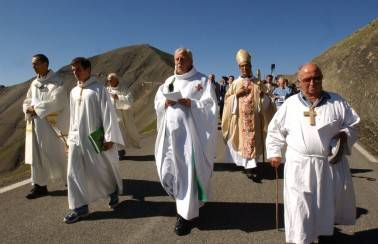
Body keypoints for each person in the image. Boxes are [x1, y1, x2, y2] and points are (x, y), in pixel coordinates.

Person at [266, 63, 360, 244]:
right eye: (307, 79)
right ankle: (302, 240)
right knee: (299, 207)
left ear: (322, 79)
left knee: (325, 207)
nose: (312, 83)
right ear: (299, 82)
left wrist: (344, 135)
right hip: (298, 165)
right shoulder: (290, 104)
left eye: (316, 78)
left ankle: (324, 235)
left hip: (329, 165)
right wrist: (275, 152)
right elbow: (275, 130)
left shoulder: (337, 102)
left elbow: (353, 124)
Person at [154, 48, 217, 235]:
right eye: (176, 58)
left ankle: (185, 216)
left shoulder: (202, 80)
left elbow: (211, 107)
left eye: (183, 58)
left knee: (186, 175)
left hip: (190, 140)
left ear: (191, 60)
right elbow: (157, 103)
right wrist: (164, 104)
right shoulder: (169, 81)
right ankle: (187, 202)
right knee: (167, 172)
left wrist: (192, 104)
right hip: (169, 138)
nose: (179, 61)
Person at [64, 57, 124, 224]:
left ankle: (112, 191)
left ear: (88, 69)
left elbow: (108, 114)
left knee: (99, 170)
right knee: (72, 173)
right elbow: (72, 119)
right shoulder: (73, 92)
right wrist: (69, 141)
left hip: (94, 138)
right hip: (76, 138)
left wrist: (110, 137)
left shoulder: (99, 89)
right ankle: (79, 208)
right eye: (73, 70)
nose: (75, 73)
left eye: (78, 69)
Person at [221, 49, 275, 182]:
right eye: (242, 66)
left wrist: (263, 98)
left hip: (255, 119)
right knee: (242, 142)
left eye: (247, 66)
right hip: (240, 120)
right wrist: (236, 95)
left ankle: (253, 166)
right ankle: (247, 167)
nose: (244, 68)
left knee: (253, 142)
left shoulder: (258, 83)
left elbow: (268, 101)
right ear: (239, 68)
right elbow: (227, 101)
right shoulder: (235, 84)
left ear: (251, 67)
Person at [23, 54, 69, 199]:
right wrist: (27, 109)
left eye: (36, 63)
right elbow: (27, 100)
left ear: (45, 64)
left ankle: (72, 181)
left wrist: (36, 109)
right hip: (36, 125)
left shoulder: (57, 82)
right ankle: (40, 186)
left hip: (51, 126)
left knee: (57, 153)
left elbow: (59, 100)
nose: (33, 66)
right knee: (36, 156)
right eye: (32, 64)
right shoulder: (34, 83)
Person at [106, 73, 141, 159]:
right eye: (108, 81)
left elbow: (130, 99)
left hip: (123, 113)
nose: (109, 82)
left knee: (121, 128)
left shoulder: (123, 88)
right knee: (114, 130)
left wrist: (118, 97)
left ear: (116, 80)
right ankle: (119, 151)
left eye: (111, 80)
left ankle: (121, 150)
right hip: (112, 114)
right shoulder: (107, 90)